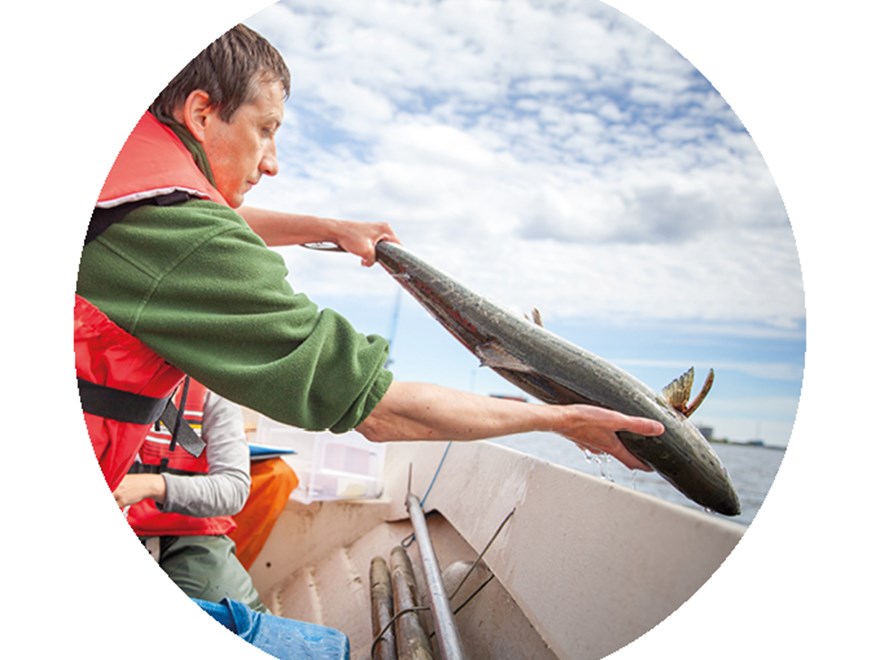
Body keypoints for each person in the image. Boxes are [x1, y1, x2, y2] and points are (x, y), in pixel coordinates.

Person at [75, 24, 662, 515]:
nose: (272, 163)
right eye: (266, 130)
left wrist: (329, 228)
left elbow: (180, 226)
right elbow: (379, 409)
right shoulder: (184, 241)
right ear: (202, 112)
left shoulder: (122, 188)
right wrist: (560, 420)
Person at [112, 377, 270, 611]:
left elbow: (234, 489)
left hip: (189, 536)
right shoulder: (100, 372)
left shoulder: (215, 390)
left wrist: (153, 486)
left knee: (243, 620)